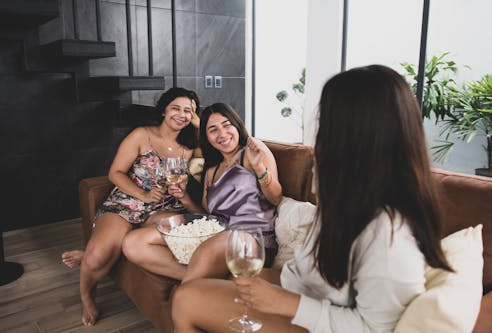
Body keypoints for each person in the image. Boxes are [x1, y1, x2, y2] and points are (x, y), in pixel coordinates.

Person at [170, 65, 454, 333]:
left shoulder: (391, 232)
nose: (318, 140)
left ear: (359, 137)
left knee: (187, 300)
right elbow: (305, 275)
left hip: (317, 319)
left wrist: (285, 303)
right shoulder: (348, 202)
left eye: (325, 123)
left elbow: (373, 328)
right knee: (190, 292)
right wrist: (258, 281)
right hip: (301, 293)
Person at [62, 87, 200, 326]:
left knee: (182, 231)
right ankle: (87, 295)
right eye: (176, 108)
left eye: (188, 111)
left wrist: (198, 123)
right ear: (164, 110)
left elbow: (207, 157)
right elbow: (115, 173)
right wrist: (143, 194)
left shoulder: (190, 148)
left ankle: (109, 249)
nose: (182, 114)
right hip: (126, 202)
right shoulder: (141, 135)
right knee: (98, 256)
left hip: (164, 208)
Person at [122, 102, 282, 282]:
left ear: (237, 126)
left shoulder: (252, 153)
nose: (222, 134)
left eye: (227, 125)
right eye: (213, 129)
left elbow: (275, 198)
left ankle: (193, 286)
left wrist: (259, 167)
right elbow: (207, 215)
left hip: (250, 239)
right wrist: (184, 197)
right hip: (216, 234)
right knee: (134, 242)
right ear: (207, 137)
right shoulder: (211, 171)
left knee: (207, 252)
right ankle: (204, 278)